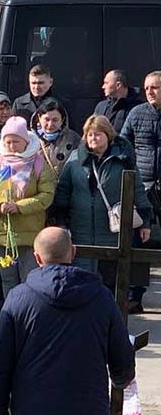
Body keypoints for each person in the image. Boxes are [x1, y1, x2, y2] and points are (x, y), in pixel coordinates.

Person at [0, 227, 135, 415]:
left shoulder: (17, 298)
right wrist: (122, 378)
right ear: (73, 252)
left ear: (37, 258)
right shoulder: (101, 297)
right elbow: (122, 359)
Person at [55, 115, 153, 306]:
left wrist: (145, 221)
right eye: (89, 135)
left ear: (108, 135)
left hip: (111, 232)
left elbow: (138, 190)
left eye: (98, 134)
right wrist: (60, 222)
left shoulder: (123, 159)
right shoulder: (75, 160)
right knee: (81, 283)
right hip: (80, 231)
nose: (93, 139)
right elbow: (63, 192)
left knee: (109, 285)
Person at [0, 116, 57, 291]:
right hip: (3, 235)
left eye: (16, 141)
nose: (11, 146)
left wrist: (20, 207)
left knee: (30, 279)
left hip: (30, 234)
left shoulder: (38, 163)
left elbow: (47, 195)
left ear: (25, 141)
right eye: (8, 142)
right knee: (8, 280)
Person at [120, 70, 161, 307]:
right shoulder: (136, 113)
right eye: (146, 88)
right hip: (142, 184)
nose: (149, 92)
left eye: (154, 87)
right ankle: (135, 296)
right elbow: (124, 143)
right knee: (139, 240)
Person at [94, 69, 143, 133]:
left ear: (118, 85)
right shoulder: (101, 106)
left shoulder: (138, 107)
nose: (103, 87)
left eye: (106, 83)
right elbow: (91, 129)